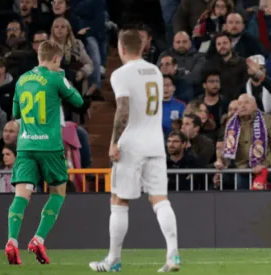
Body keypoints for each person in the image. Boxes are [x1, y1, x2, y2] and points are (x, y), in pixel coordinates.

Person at [89, 29, 180, 273]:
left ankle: (114, 260)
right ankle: (173, 255)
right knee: (160, 199)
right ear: (142, 47)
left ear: (121, 48)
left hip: (132, 144)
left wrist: (113, 141)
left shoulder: (121, 74)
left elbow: (124, 110)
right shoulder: (156, 72)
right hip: (155, 143)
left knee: (119, 200)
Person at [4, 40, 84, 265]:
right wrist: (62, 78)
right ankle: (38, 239)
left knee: (22, 196)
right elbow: (78, 102)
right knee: (58, 193)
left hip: (26, 146)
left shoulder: (21, 80)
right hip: (50, 147)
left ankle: (11, 240)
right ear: (56, 59)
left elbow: (15, 113)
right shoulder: (56, 78)